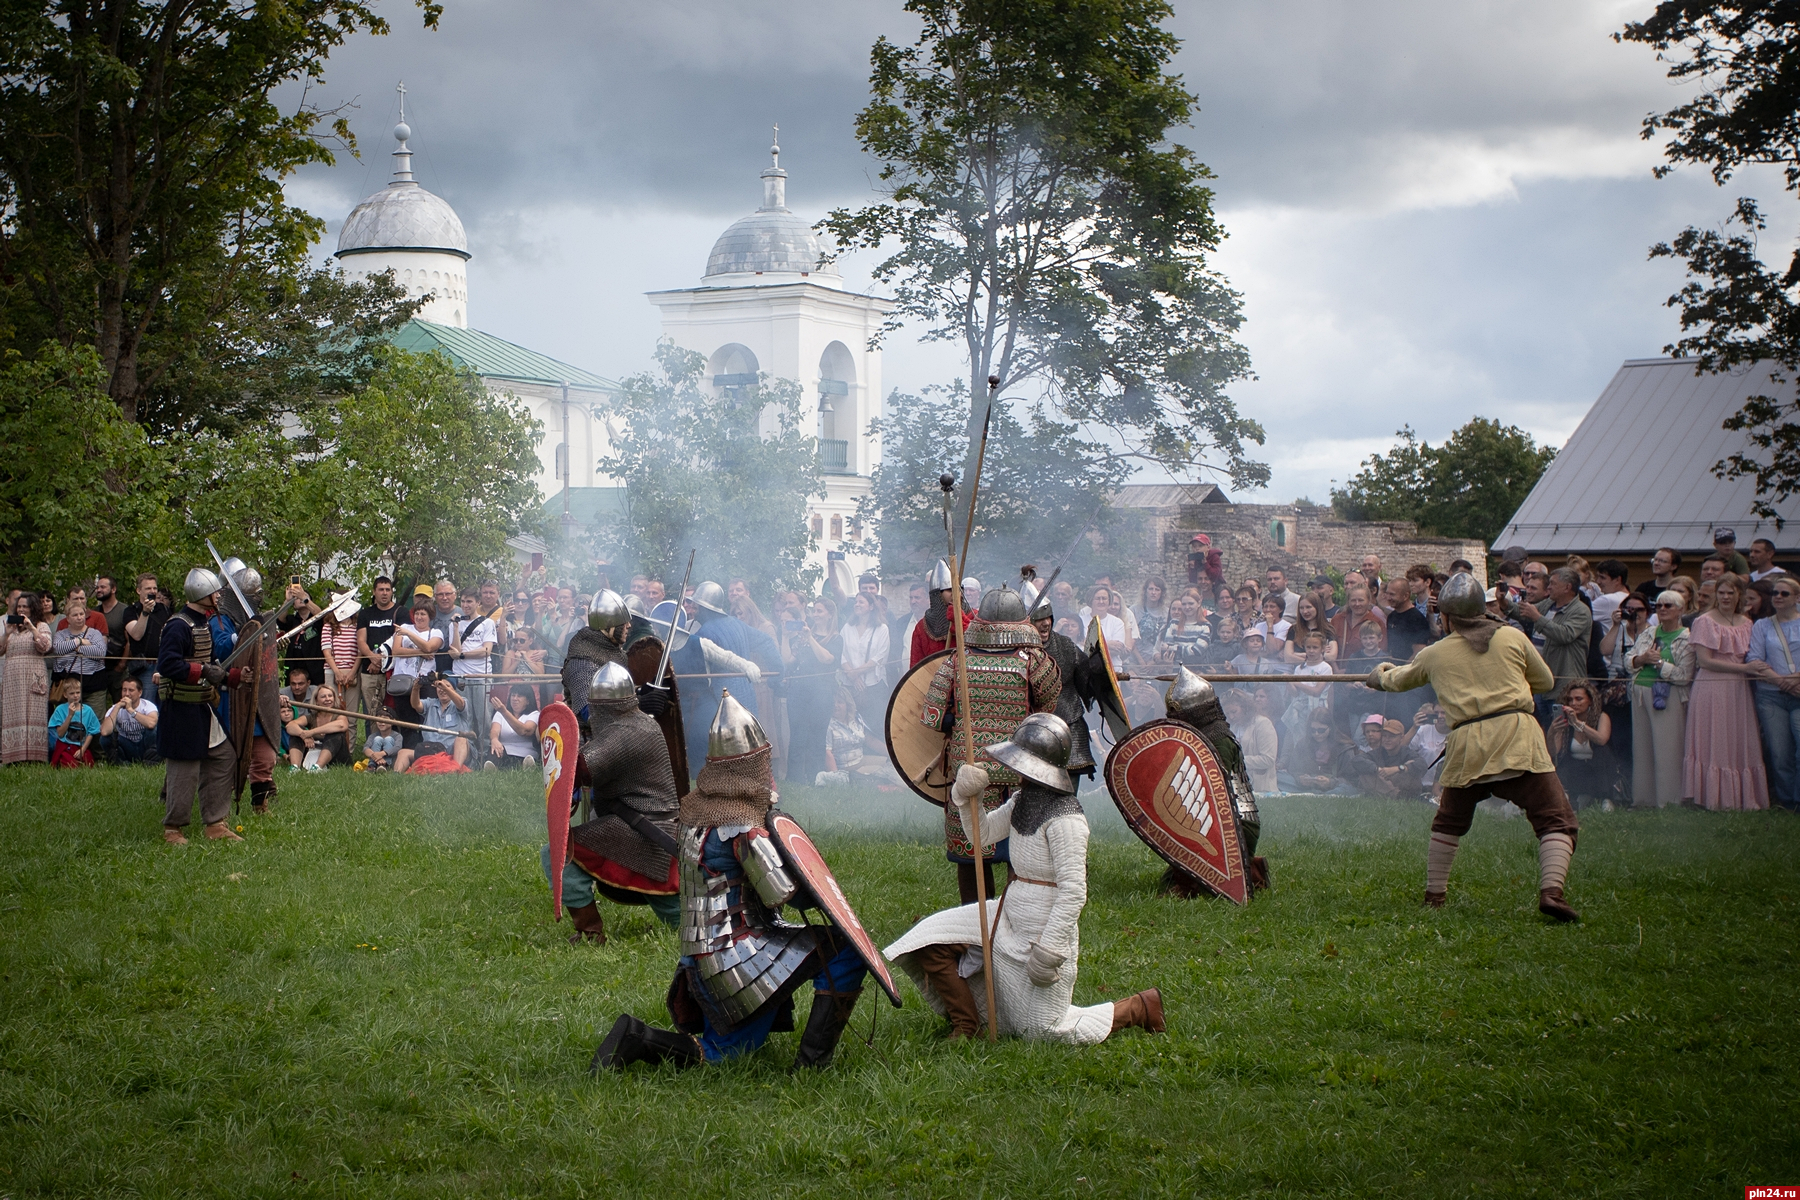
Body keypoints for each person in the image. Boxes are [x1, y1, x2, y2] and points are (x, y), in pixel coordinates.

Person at [592, 693, 871, 1071]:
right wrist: (815, 889)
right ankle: (810, 1066)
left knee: (730, 1048)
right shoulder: (741, 823)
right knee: (843, 952)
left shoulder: (696, 810)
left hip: (701, 954)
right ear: (752, 764)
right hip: (737, 953)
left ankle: (645, 1038)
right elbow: (782, 895)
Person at [886, 716, 1165, 1043]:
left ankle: (1139, 1007)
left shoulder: (1068, 820)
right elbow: (982, 835)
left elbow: (1074, 892)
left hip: (1042, 926)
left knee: (1044, 1032)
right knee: (928, 941)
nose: (1016, 769)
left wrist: (1050, 948)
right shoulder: (1022, 801)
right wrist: (964, 798)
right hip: (1007, 912)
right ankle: (967, 1026)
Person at [1365, 571, 1581, 922]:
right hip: (1517, 738)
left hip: (1470, 746)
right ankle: (1552, 892)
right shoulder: (1511, 636)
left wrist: (1379, 674)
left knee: (1449, 822)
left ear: (1447, 616)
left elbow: (1396, 680)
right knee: (1556, 819)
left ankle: (1435, 897)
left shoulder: (1436, 653)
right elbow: (1544, 681)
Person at [921, 587, 1060, 904]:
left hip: (969, 767)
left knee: (972, 854)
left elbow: (931, 715)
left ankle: (976, 920)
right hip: (1019, 770)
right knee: (1020, 854)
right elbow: (1047, 712)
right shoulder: (1035, 661)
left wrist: (958, 725)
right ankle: (1012, 917)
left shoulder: (959, 661)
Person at [157, 568, 246, 844]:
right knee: (185, 768)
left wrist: (232, 678)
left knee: (224, 756)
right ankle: (173, 828)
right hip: (181, 709)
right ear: (202, 595)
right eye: (215, 592)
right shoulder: (178, 625)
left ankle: (215, 823)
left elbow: (210, 665)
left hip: (202, 707)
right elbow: (169, 664)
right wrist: (205, 672)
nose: (219, 596)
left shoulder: (204, 623)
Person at [1683, 574, 1770, 810]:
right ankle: (1712, 797)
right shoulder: (1704, 621)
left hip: (1739, 689)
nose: (1725, 597)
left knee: (1738, 738)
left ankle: (1741, 797)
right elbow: (1705, 661)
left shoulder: (1747, 622)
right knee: (1716, 738)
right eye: (1721, 592)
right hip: (1712, 686)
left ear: (1739, 594)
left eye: (1731, 592)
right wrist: (1745, 668)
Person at [1024, 579, 1100, 779]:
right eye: (1039, 618)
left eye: (1048, 617)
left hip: (1069, 724)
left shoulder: (1066, 647)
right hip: (1028, 728)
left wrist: (1098, 672)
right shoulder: (1018, 652)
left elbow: (1087, 685)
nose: (1046, 623)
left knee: (1069, 788)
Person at [1628, 591, 1696, 809]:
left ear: (1680, 610)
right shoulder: (1649, 633)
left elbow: (1684, 676)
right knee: (1642, 749)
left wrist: (1658, 664)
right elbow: (1628, 660)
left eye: (1668, 605)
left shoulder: (1687, 637)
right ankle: (1643, 800)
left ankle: (1669, 802)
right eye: (1658, 606)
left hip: (1669, 695)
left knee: (1668, 750)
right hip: (1640, 692)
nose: (1662, 609)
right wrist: (1642, 658)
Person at [1747, 576, 1800, 812]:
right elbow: (1755, 659)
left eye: (1784, 594)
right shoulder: (1762, 625)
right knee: (1780, 753)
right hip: (1771, 695)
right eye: (1775, 593)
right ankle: (1788, 802)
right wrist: (1781, 681)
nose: (1778, 597)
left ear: (1797, 598)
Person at [782, 596, 842, 786]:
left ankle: (816, 778)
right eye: (814, 610)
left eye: (819, 611)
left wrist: (810, 638)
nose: (815, 614)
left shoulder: (836, 638)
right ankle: (795, 781)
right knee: (797, 735)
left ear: (829, 614)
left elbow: (826, 659)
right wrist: (784, 636)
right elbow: (788, 660)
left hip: (822, 692)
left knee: (817, 736)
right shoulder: (802, 636)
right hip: (798, 691)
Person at [1547, 680, 1616, 810]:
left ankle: (1606, 799)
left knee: (1601, 753)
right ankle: (1575, 797)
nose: (1574, 703)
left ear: (1590, 701)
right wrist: (1552, 732)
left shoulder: (1601, 717)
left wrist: (1578, 723)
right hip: (1577, 771)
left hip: (1600, 771)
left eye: (1579, 699)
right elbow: (1554, 752)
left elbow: (1601, 739)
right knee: (1565, 763)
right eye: (1570, 700)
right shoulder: (1565, 723)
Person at [397, 673, 473, 772]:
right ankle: (396, 776)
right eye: (439, 687)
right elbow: (416, 705)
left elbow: (461, 703)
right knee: (403, 753)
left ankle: (454, 771)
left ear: (453, 689)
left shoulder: (461, 702)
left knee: (461, 739)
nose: (442, 690)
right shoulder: (430, 703)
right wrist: (416, 688)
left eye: (447, 686)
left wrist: (445, 687)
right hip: (429, 751)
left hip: (452, 752)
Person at [839, 592, 890, 729]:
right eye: (856, 602)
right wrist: (853, 677)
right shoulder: (847, 628)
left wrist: (856, 673)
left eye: (861, 602)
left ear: (871, 606)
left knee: (873, 726)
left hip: (872, 686)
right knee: (852, 725)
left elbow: (880, 656)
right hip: (850, 686)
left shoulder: (882, 629)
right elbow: (841, 653)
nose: (857, 605)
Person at [51, 590, 108, 705]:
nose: (79, 617)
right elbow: (57, 649)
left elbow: (100, 653)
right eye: (75, 615)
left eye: (81, 614)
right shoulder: (61, 634)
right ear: (68, 618)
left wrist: (77, 648)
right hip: (69, 686)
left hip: (94, 685)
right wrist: (79, 641)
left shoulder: (94, 633)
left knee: (94, 720)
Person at [1283, 708, 1356, 795]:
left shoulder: (1344, 748)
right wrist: (1300, 778)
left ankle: (1324, 795)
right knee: (1280, 776)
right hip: (1307, 787)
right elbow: (1293, 770)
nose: (1316, 734)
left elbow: (1353, 780)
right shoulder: (1303, 744)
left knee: (1345, 789)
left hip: (1335, 787)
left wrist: (1330, 782)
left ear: (1331, 728)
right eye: (1313, 730)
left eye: (1321, 730)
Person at [1221, 688, 1279, 794]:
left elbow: (1268, 759)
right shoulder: (1232, 727)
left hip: (1262, 789)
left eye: (1234, 712)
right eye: (1228, 713)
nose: (1231, 716)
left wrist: (1238, 761)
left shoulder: (1263, 723)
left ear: (1245, 707)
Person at [120, 574, 169, 698]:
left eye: (154, 588)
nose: (152, 591)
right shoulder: (130, 611)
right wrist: (145, 612)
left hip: (164, 664)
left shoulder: (164, 609)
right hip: (144, 667)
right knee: (148, 705)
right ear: (138, 590)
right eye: (148, 589)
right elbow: (136, 635)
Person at [100, 674, 161, 764]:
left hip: (144, 745)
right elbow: (104, 732)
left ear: (140, 692)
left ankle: (150, 763)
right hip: (127, 746)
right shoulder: (115, 708)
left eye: (131, 690)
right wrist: (117, 708)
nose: (127, 694)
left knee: (153, 731)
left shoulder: (148, 706)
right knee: (105, 739)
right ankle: (122, 763)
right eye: (124, 690)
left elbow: (152, 723)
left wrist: (130, 710)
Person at [286, 684, 349, 770]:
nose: (327, 699)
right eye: (323, 697)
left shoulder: (339, 715)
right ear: (316, 701)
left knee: (335, 733)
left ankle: (317, 768)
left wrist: (311, 732)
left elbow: (342, 725)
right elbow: (290, 726)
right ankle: (295, 767)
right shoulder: (311, 716)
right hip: (313, 753)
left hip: (336, 758)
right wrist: (303, 735)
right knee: (296, 732)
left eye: (330, 696)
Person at [46, 677, 100, 766]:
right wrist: (70, 715)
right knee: (70, 764)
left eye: (78, 692)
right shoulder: (60, 710)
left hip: (81, 746)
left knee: (88, 763)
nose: (75, 696)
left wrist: (83, 749)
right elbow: (60, 733)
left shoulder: (88, 710)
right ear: (65, 695)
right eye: (72, 693)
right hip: (65, 745)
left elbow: (91, 732)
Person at [487, 685, 539, 770]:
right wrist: (494, 739)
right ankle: (492, 771)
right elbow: (494, 731)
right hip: (504, 752)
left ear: (528, 701)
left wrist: (504, 712)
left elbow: (525, 731)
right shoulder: (499, 714)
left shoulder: (534, 714)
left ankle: (527, 768)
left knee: (527, 761)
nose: (515, 698)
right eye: (513, 695)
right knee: (493, 750)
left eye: (519, 696)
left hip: (526, 755)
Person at [1156, 592, 1213, 668]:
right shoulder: (1174, 623)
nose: (1187, 607)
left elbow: (1196, 652)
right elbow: (1166, 650)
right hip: (1175, 670)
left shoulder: (1205, 626)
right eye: (1184, 604)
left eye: (1191, 603)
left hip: (1196, 672)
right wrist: (1187, 649)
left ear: (1198, 603)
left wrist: (1173, 648)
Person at [1383, 577, 1432, 661]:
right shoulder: (1391, 616)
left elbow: (1419, 652)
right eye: (1387, 594)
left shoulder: (1417, 619)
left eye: (1392, 594)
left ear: (1406, 596)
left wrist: (1402, 671)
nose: (1388, 598)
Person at [1282, 595, 1337, 664]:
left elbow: (1332, 657)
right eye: (1301, 608)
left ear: (1317, 607)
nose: (1305, 611)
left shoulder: (1328, 629)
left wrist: (1297, 654)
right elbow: (1288, 657)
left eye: (1308, 607)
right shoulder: (1294, 629)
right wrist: (1318, 655)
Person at [1590, 560, 1630, 633]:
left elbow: (1578, 615)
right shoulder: (1629, 598)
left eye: (1602, 577)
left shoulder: (1607, 600)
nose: (1598, 581)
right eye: (1598, 577)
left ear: (1617, 580)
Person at [1133, 577, 1172, 649]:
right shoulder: (1134, 610)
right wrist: (1140, 660)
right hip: (1137, 657)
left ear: (1162, 593)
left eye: (1157, 589)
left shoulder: (1167, 612)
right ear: (1145, 591)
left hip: (1158, 656)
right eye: (1150, 589)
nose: (1153, 592)